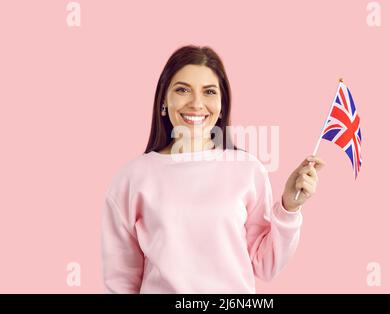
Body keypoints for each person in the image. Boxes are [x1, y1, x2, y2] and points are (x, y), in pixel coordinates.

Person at [101, 45, 325, 293]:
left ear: (221, 103)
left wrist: (289, 207)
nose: (196, 103)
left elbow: (265, 266)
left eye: (209, 92)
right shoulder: (132, 178)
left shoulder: (248, 171)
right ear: (164, 99)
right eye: (183, 90)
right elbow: (119, 280)